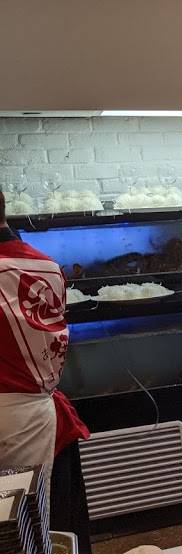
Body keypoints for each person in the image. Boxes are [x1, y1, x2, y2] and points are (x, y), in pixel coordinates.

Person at [0, 186, 89, 494]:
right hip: (36, 416)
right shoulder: (48, 266)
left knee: (17, 516)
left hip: (14, 422)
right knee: (33, 513)